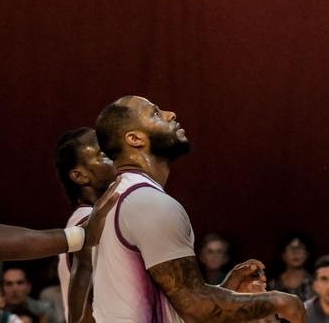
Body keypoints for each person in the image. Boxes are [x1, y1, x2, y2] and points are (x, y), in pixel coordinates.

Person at [92, 94, 306, 323]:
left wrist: (225, 290)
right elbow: (196, 308)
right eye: (155, 113)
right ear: (135, 139)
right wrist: (281, 302)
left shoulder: (115, 199)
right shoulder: (149, 203)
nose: (170, 114)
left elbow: (178, 304)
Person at [52, 127, 117, 323]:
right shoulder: (88, 222)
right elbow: (83, 281)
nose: (115, 156)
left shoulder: (84, 218)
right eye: (103, 154)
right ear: (79, 176)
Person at [270, 234, 317, 301]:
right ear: (283, 255)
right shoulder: (273, 285)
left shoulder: (315, 283)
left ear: (307, 254)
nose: (295, 253)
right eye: (291, 248)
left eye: (300, 248)